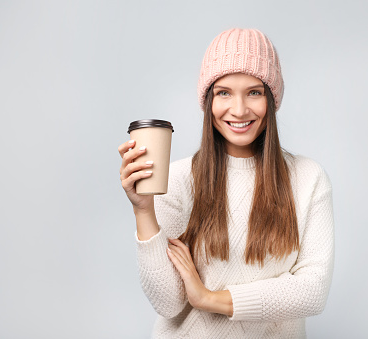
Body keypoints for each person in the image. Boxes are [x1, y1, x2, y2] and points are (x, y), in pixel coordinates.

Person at [118, 28, 334, 338]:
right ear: (208, 101)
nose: (239, 109)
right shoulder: (178, 180)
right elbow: (168, 303)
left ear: (272, 99)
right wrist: (143, 211)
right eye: (224, 92)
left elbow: (312, 290)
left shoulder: (308, 179)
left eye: (254, 92)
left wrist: (210, 299)